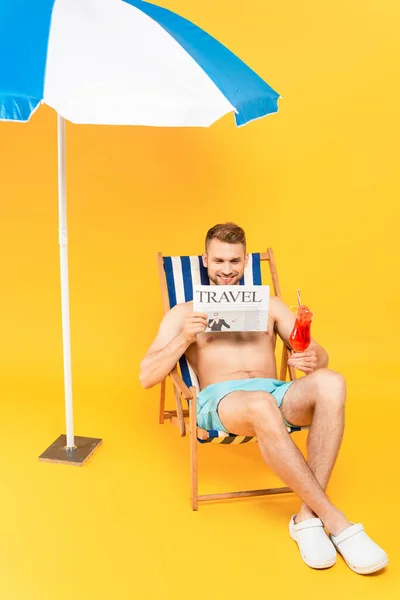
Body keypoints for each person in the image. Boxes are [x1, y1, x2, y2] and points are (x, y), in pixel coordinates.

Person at [140, 222, 388, 574]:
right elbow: (146, 376)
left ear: (245, 261)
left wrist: (313, 358)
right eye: (220, 261)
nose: (227, 270)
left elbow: (316, 353)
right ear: (205, 260)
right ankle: (335, 521)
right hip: (222, 402)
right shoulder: (184, 312)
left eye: (235, 261)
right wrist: (183, 338)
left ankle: (305, 518)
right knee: (260, 404)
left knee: (332, 382)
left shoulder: (270, 305)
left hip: (275, 393)